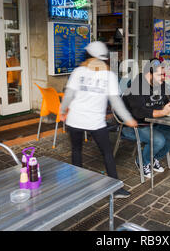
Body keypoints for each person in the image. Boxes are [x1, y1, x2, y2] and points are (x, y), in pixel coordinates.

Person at [59, 41, 138, 198]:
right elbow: (115, 101)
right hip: (95, 122)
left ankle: (77, 187)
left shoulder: (78, 72)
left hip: (75, 118)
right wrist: (128, 118)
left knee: (76, 151)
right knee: (107, 153)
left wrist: (62, 111)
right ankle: (116, 189)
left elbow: (69, 95)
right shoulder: (109, 75)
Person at [122, 58, 170, 178]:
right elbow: (139, 112)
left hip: (153, 123)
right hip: (134, 125)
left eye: (164, 74)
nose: (163, 78)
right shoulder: (136, 86)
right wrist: (162, 112)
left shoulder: (160, 84)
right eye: (160, 75)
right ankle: (143, 162)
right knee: (159, 140)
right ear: (149, 74)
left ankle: (154, 158)